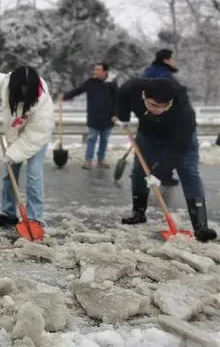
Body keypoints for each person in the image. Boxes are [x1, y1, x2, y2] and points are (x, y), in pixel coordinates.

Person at [114, 78, 216, 242]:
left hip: (179, 139)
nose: (159, 110)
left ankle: (201, 226)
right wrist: (123, 117)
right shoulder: (133, 87)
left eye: (164, 106)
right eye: (153, 105)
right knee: (140, 171)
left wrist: (159, 173)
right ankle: (138, 213)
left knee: (189, 172)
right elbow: (122, 94)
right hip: (148, 134)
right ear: (143, 96)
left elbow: (179, 149)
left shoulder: (184, 113)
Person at [0, 66, 55, 229]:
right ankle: (8, 213)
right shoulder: (6, 83)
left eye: (25, 92)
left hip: (36, 137)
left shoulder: (42, 105)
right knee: (10, 173)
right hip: (14, 134)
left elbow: (33, 137)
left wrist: (13, 154)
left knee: (34, 175)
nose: (22, 93)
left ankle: (35, 217)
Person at [60, 62, 118, 169]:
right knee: (91, 138)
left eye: (98, 70)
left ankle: (101, 160)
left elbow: (117, 100)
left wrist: (116, 114)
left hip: (108, 117)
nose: (95, 72)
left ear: (105, 72)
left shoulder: (112, 84)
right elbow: (78, 90)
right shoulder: (90, 82)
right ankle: (88, 160)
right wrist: (65, 96)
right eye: (95, 70)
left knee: (104, 140)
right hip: (94, 116)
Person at [143, 49, 180, 186]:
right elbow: (173, 92)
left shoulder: (149, 71)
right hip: (162, 112)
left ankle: (153, 170)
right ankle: (162, 174)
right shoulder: (164, 74)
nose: (173, 61)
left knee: (155, 142)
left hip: (149, 110)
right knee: (165, 144)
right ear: (165, 60)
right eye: (171, 58)